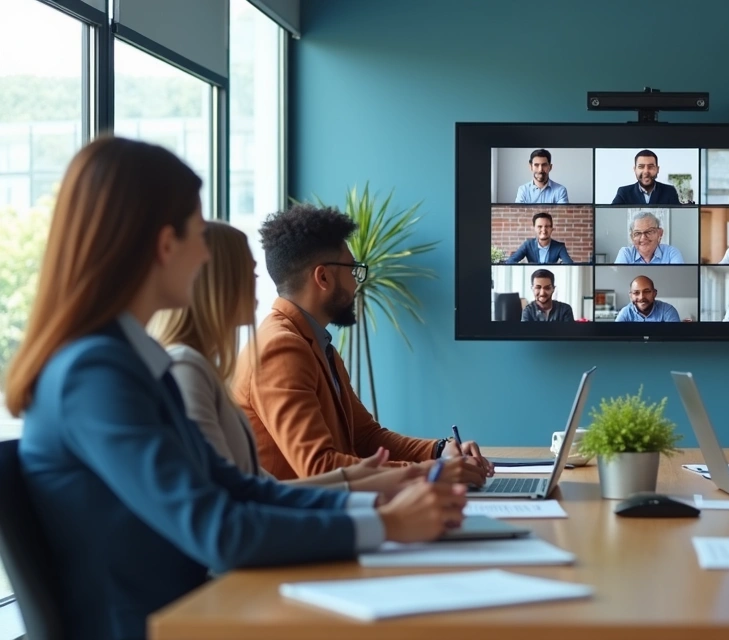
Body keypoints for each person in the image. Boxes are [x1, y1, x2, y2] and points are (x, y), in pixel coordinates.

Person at [7, 137, 468, 640]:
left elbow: (236, 489)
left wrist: (373, 505)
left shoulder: (131, 365)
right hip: (171, 624)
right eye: (198, 234)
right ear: (165, 244)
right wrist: (388, 525)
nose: (207, 254)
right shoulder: (94, 376)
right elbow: (219, 530)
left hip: (201, 610)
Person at [147, 220, 420, 498]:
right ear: (218, 283)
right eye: (250, 273)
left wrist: (433, 457)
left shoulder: (314, 344)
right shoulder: (272, 349)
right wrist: (415, 478)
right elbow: (229, 500)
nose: (257, 284)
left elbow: (259, 487)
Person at [231, 203, 491, 482]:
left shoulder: (315, 342)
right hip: (294, 520)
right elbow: (319, 467)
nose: (357, 283)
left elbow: (366, 436)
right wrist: (434, 473)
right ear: (323, 277)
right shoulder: (281, 349)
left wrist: (440, 452)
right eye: (353, 270)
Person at [610, 150, 681, 205]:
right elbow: (613, 216)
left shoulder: (670, 191)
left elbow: (677, 217)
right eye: (641, 167)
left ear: (657, 169)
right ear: (635, 170)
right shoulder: (624, 192)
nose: (646, 171)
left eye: (651, 167)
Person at [614, 210, 685, 264]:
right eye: (637, 233)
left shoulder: (671, 253)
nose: (643, 238)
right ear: (632, 237)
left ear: (660, 233)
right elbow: (618, 280)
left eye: (649, 231)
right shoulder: (626, 253)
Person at [505, 211, 573, 264]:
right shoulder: (528, 245)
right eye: (540, 226)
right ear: (534, 228)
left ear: (552, 229)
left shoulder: (560, 247)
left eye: (547, 226)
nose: (543, 230)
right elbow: (510, 261)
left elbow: (570, 264)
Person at [616, 275, 681, 322]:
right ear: (631, 296)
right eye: (636, 293)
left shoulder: (668, 311)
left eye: (647, 292)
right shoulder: (625, 312)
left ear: (654, 293)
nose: (641, 297)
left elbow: (675, 338)